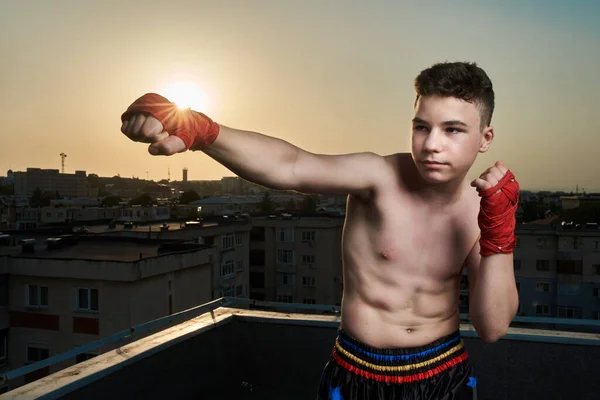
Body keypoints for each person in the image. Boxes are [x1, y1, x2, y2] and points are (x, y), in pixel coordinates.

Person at [120, 61, 519, 400]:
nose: (431, 144)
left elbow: (492, 326)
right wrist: (201, 128)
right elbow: (291, 165)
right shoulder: (378, 176)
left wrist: (499, 232)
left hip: (442, 374)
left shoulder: (483, 207)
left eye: (452, 130)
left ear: (485, 138)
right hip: (358, 370)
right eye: (421, 127)